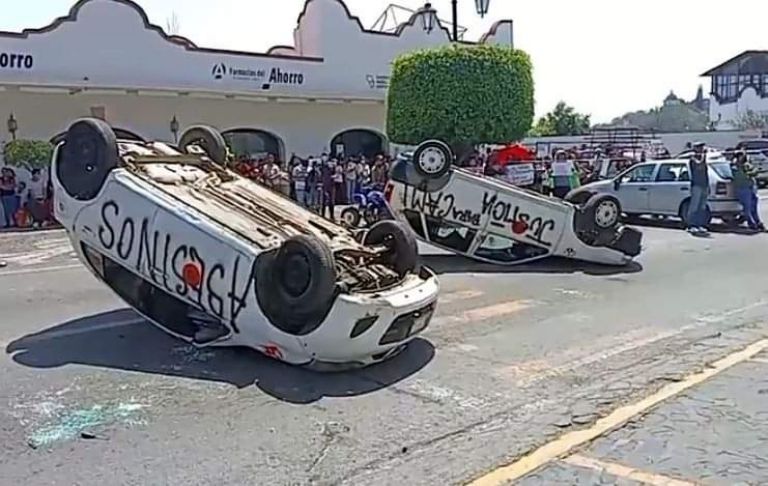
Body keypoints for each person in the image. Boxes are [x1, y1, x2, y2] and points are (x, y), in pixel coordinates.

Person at [731, 150, 765, 231]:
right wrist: (747, 172)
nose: (743, 157)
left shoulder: (746, 165)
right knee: (747, 207)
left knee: (754, 207)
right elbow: (742, 175)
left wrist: (751, 172)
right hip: (742, 188)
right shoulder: (735, 167)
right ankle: (751, 223)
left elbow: (754, 171)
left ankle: (758, 222)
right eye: (740, 156)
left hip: (751, 187)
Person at [687, 142, 710, 235]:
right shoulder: (693, 159)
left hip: (704, 185)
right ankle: (691, 226)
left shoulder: (703, 159)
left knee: (702, 207)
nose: (701, 149)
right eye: (699, 147)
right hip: (696, 186)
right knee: (694, 207)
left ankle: (700, 225)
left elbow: (705, 173)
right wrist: (704, 156)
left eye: (702, 147)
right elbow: (699, 166)